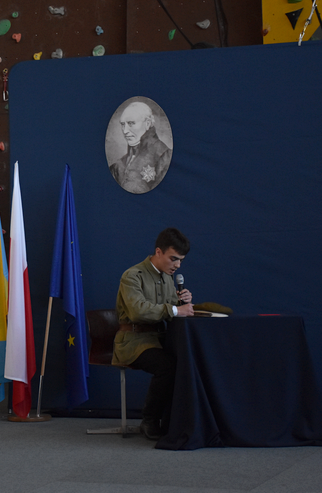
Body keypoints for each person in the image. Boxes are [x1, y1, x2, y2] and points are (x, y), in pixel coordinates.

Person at [112, 228, 193, 440]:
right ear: (158, 252)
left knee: (189, 360)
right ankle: (149, 420)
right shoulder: (132, 276)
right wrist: (175, 309)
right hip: (133, 341)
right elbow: (137, 311)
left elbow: (168, 309)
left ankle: (174, 420)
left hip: (158, 339)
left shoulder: (167, 278)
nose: (177, 265)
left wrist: (181, 301)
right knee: (167, 367)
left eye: (181, 260)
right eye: (173, 259)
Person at [109, 101, 172, 194]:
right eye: (122, 124)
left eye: (131, 123)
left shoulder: (164, 156)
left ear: (147, 123)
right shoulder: (118, 165)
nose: (125, 131)